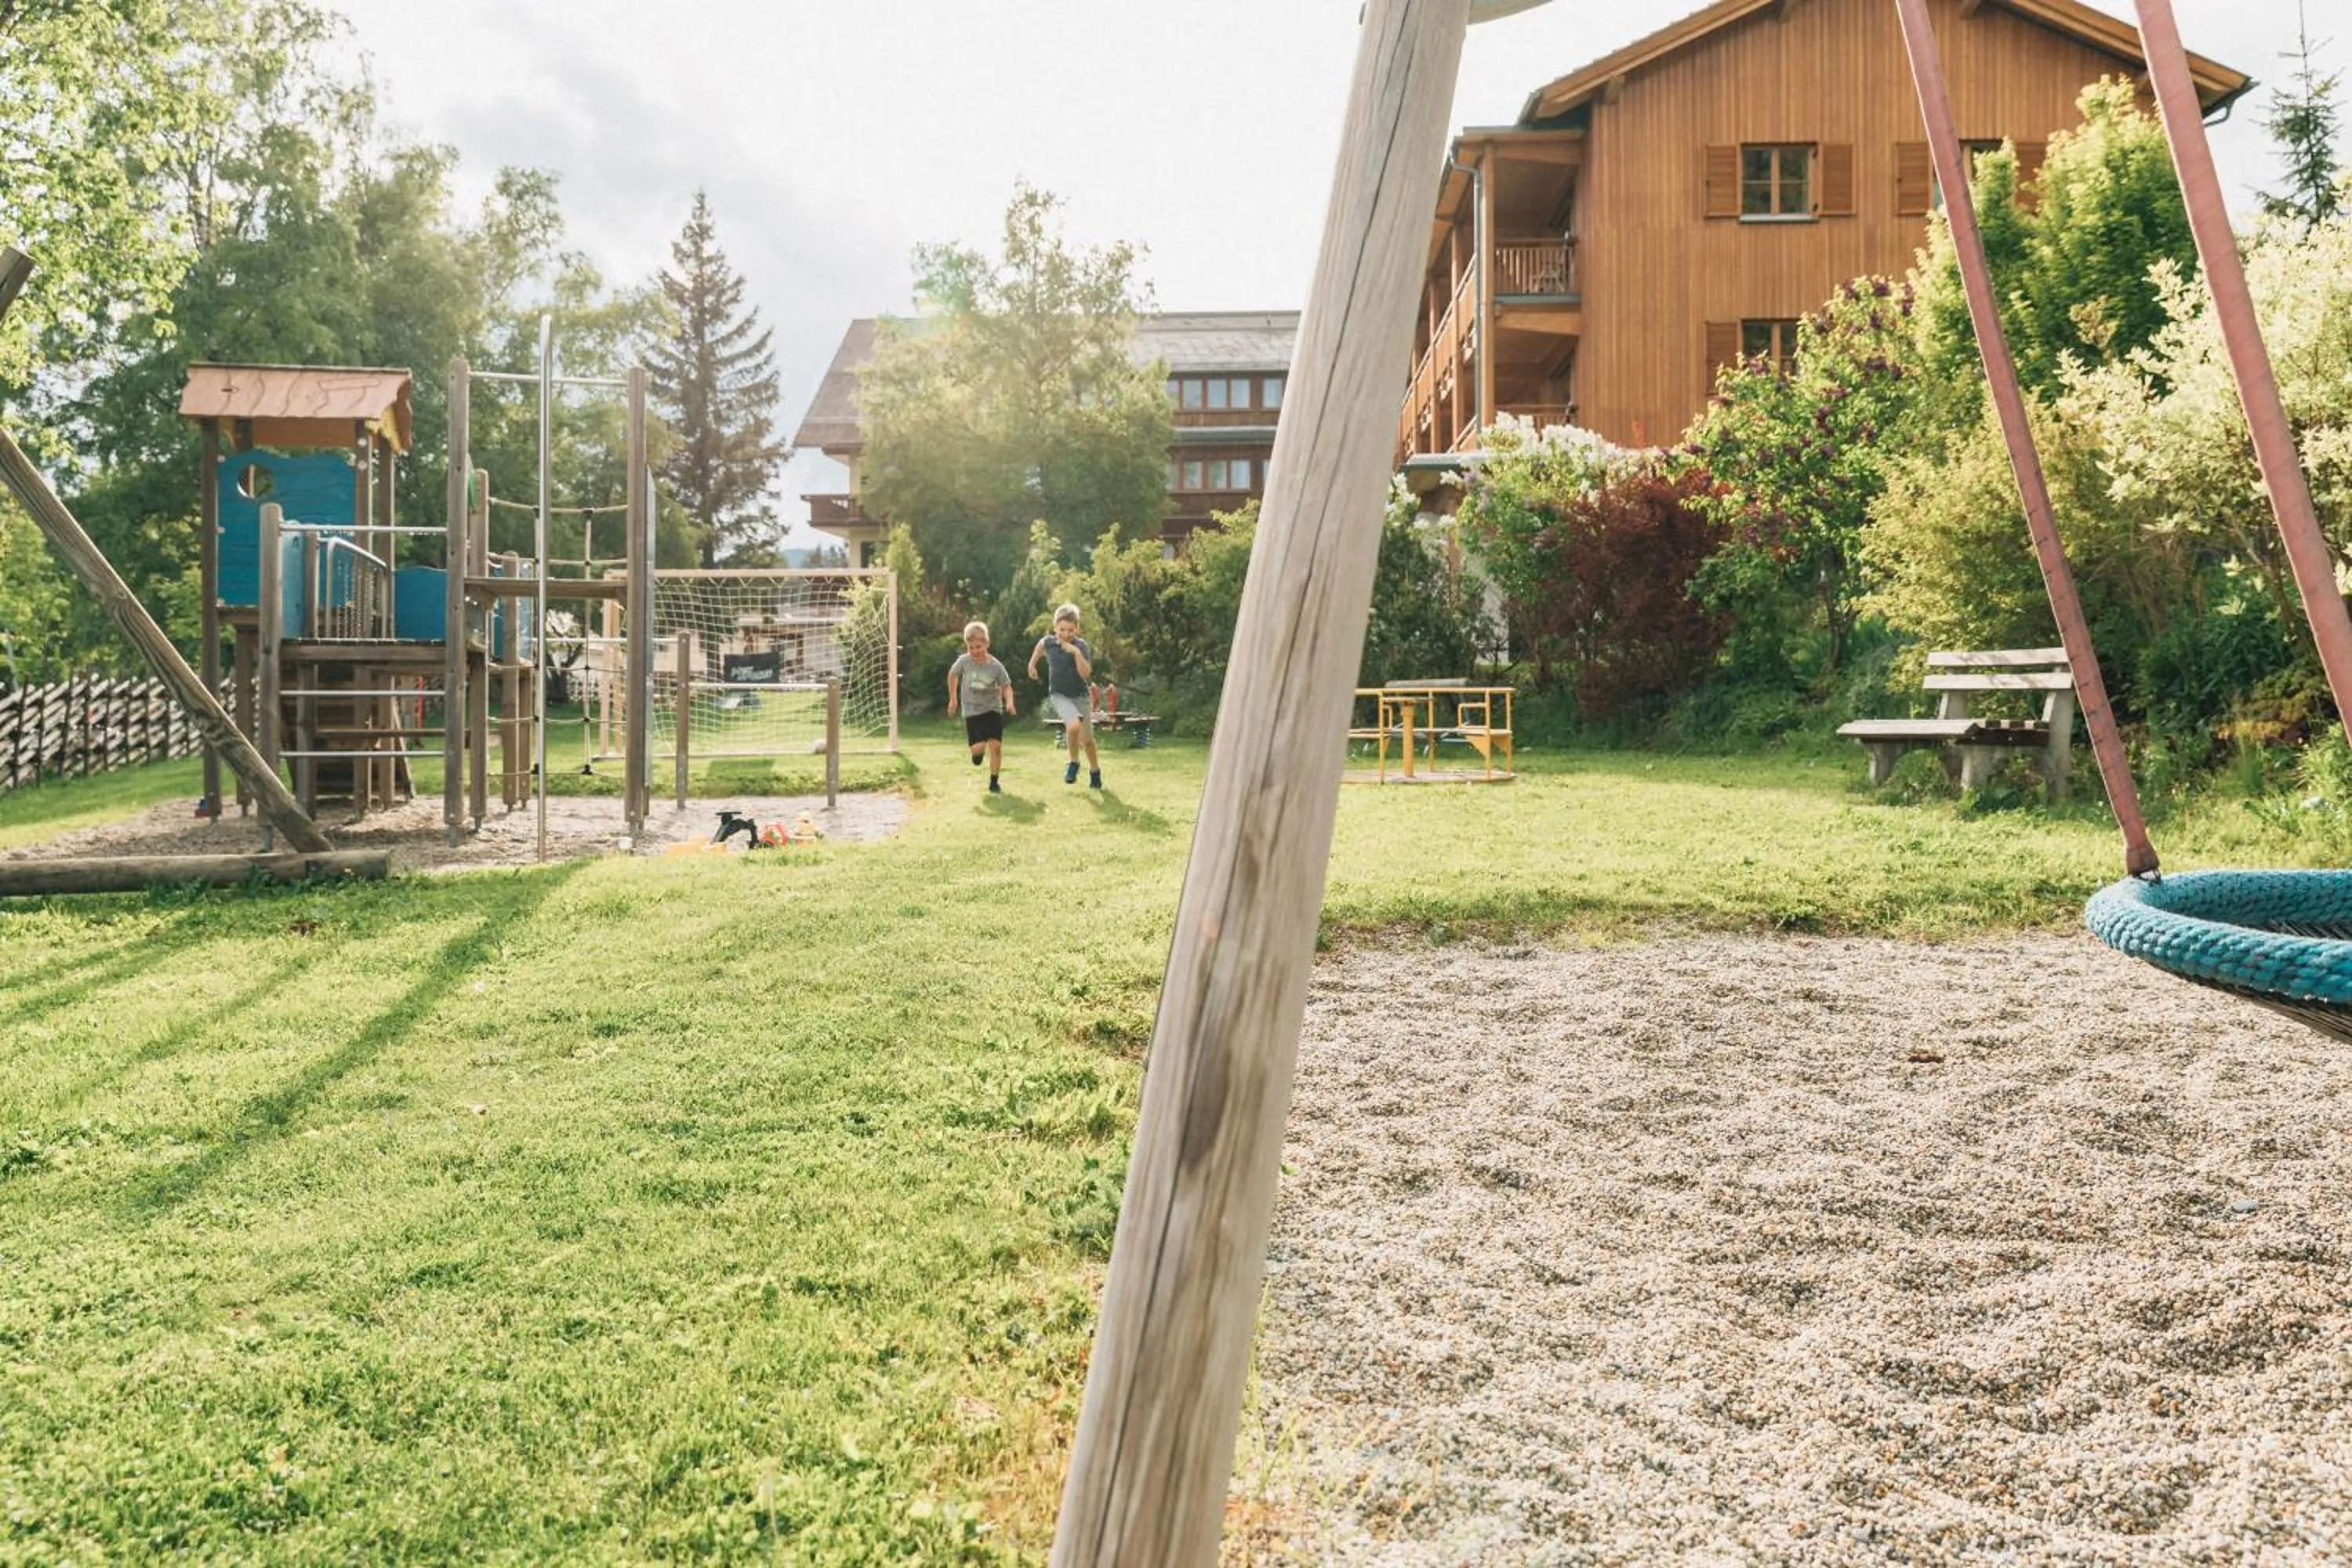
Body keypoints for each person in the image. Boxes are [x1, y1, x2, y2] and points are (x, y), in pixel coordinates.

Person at [1029, 602, 1102, 788]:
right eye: (1062, 630)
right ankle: (1073, 762)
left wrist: (1076, 653)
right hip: (1059, 694)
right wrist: (1032, 665)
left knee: (1087, 741)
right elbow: (1039, 647)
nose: (1066, 634)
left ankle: (1094, 771)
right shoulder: (1049, 642)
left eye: (1071, 630)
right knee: (1073, 724)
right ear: (1055, 628)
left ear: (1077, 628)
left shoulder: (1081, 646)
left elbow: (1086, 673)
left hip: (1080, 696)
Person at [946, 619, 1016, 793]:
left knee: (996, 746)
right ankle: (977, 754)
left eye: (978, 647)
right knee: (977, 749)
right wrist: (953, 700)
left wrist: (1010, 702)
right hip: (972, 710)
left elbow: (1007, 686)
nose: (975, 651)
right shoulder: (964, 662)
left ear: (986, 644)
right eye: (971, 648)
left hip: (993, 709)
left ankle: (994, 782)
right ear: (967, 647)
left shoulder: (996, 666)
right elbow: (952, 676)